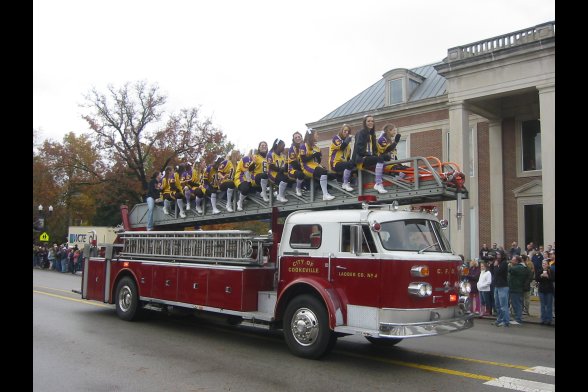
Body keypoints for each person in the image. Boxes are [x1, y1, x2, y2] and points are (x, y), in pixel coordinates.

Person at [351, 115, 387, 193]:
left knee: (384, 157)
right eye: (368, 121)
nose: (371, 123)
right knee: (379, 159)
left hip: (369, 157)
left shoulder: (372, 134)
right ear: (365, 122)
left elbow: (374, 149)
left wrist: (376, 154)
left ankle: (381, 181)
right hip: (361, 158)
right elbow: (359, 149)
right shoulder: (361, 133)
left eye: (372, 121)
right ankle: (378, 183)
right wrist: (370, 155)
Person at [299, 129, 335, 200]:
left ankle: (328, 190)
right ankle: (325, 194)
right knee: (323, 172)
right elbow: (303, 160)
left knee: (331, 174)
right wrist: (314, 155)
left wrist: (318, 156)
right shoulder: (303, 146)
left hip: (315, 165)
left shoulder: (317, 148)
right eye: (316, 134)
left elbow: (318, 161)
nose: (318, 136)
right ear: (311, 136)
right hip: (307, 166)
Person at [328, 124, 355, 191]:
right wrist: (348, 140)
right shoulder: (336, 138)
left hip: (343, 164)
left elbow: (348, 157)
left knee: (353, 164)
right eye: (345, 131)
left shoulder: (348, 144)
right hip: (335, 163)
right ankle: (345, 183)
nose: (346, 132)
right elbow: (341, 146)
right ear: (341, 131)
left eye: (348, 131)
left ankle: (351, 182)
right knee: (349, 164)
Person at [507, 255, 526, 325]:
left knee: (517, 304)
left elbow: (510, 270)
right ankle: (518, 318)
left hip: (516, 288)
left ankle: (518, 319)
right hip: (515, 288)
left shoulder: (518, 267)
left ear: (517, 261)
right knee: (517, 304)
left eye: (513, 260)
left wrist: (509, 265)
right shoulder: (519, 267)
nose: (511, 261)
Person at [287, 131, 306, 197]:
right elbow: (294, 163)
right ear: (293, 140)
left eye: (299, 137)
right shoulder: (292, 148)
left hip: (303, 166)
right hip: (293, 169)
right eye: (296, 137)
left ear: (301, 137)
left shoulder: (305, 146)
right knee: (300, 174)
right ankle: (298, 188)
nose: (298, 138)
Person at [536, 259, 554, 325]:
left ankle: (549, 319)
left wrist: (548, 277)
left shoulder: (551, 271)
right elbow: (536, 278)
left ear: (548, 264)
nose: (544, 265)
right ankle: (543, 319)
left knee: (549, 305)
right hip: (541, 290)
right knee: (542, 305)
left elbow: (553, 279)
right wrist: (541, 276)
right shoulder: (540, 271)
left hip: (549, 290)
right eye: (543, 263)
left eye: (545, 264)